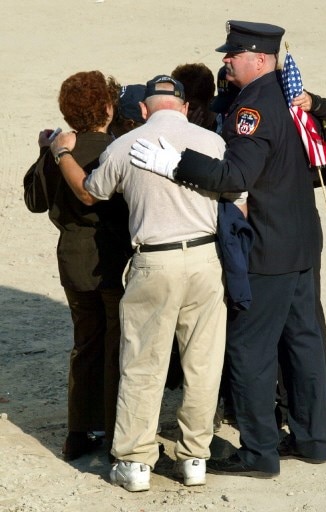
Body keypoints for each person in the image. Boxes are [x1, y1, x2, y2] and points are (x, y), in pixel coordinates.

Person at [130, 21, 326, 477]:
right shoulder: (285, 88)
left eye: (234, 54)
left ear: (259, 59)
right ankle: (314, 439)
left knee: (249, 348)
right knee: (303, 342)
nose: (225, 59)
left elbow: (236, 178)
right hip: (300, 240)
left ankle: (259, 451)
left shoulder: (255, 107)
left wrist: (177, 162)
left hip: (268, 247)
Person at [49, 74, 246, 491]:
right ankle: (195, 456)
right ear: (185, 107)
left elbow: (89, 192)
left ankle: (136, 461)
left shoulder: (123, 146)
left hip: (154, 261)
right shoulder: (211, 142)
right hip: (205, 259)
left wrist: (61, 153)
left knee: (142, 363)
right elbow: (236, 193)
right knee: (203, 362)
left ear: (142, 110)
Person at [23, 70, 132, 461]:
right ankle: (114, 428)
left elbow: (34, 201)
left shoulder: (57, 151)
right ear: (107, 107)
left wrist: (45, 152)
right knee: (118, 344)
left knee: (86, 343)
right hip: (116, 259)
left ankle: (78, 430)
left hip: (73, 257)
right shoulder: (119, 148)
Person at [276, 88, 326, 432]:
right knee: (300, 325)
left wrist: (313, 102)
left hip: (293, 226)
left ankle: (317, 414)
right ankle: (308, 415)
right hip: (293, 225)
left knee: (304, 324)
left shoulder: (291, 104)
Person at [171, 62, 217, 130]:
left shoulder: (224, 128)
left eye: (190, 108)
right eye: (178, 106)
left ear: (209, 103)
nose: (182, 112)